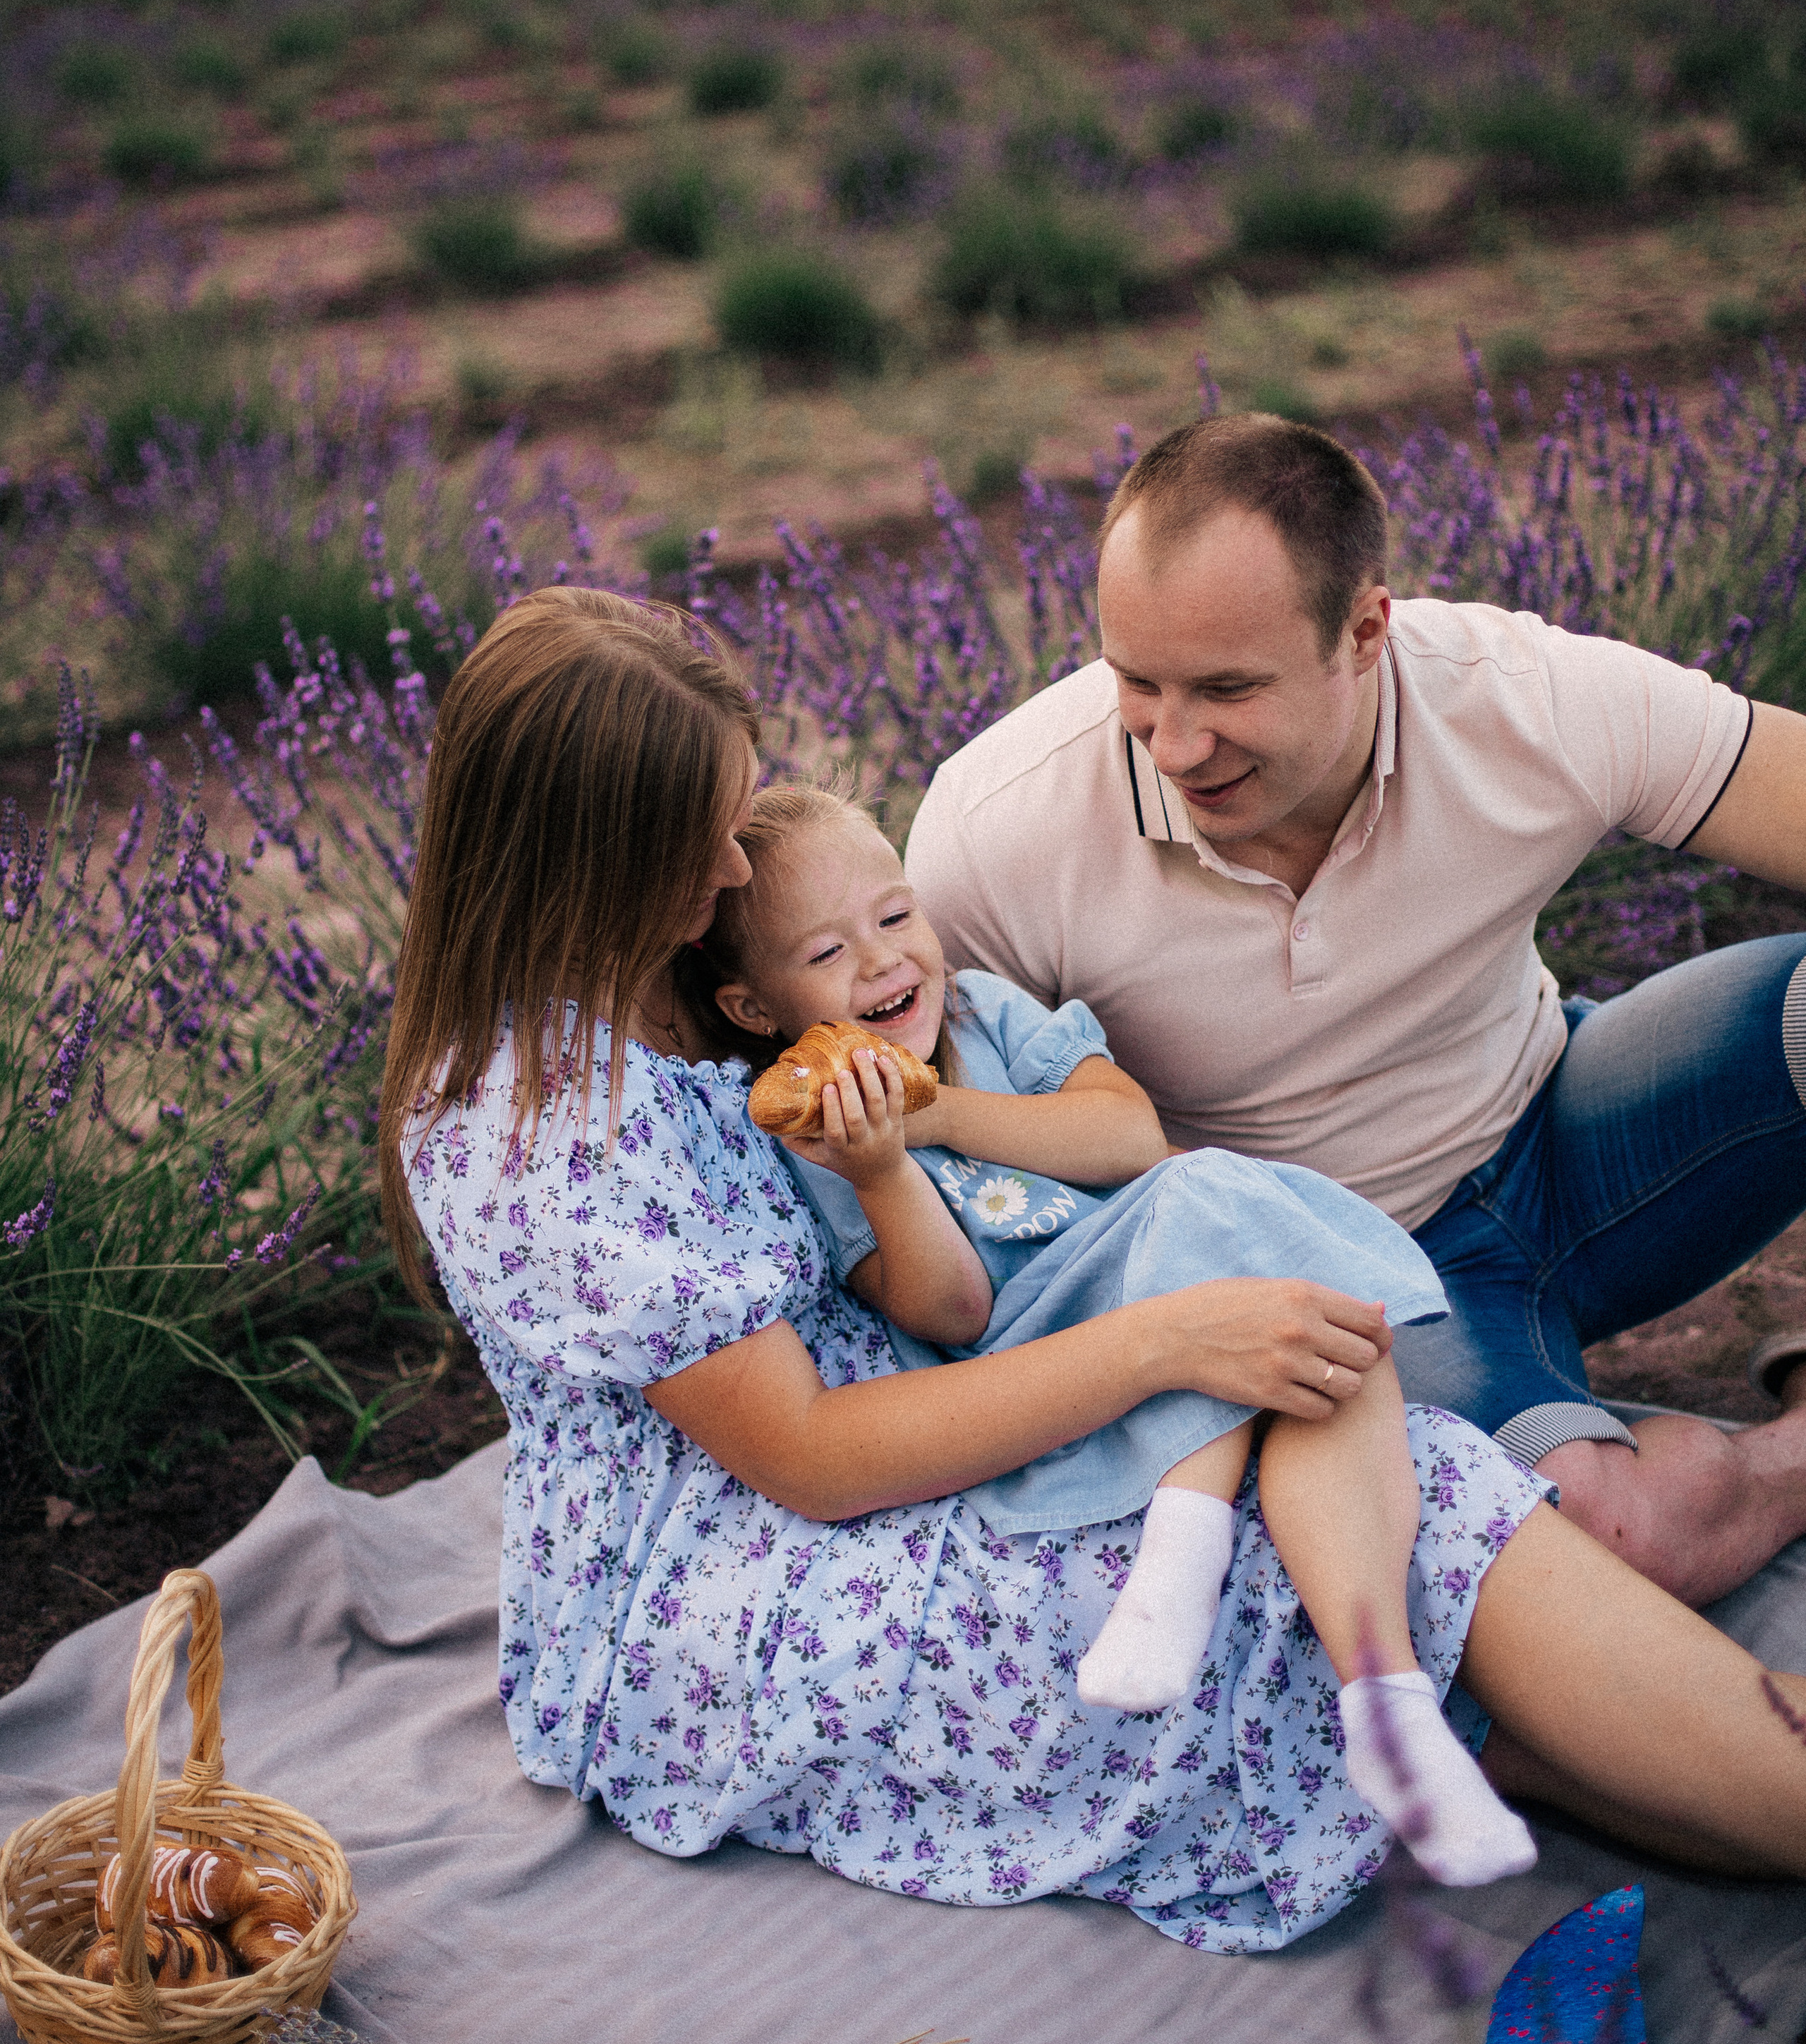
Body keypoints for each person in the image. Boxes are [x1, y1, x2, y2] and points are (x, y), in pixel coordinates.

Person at [379, 583, 1806, 1959]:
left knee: (1338, 1476)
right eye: (700, 840)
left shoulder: (685, 986)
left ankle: (1679, 1758)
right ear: (587, 858)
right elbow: (805, 1458)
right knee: (1363, 1517)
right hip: (744, 1600)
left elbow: (1036, 1149)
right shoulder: (534, 1126)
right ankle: (1715, 1760)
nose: (738, 866)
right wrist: (1165, 1344)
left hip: (933, 1408)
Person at [906, 413, 1806, 1609]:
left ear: (1367, 631)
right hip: (1353, 1290)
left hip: (1582, 1131)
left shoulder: (1516, 693)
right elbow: (944, 1168)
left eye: (1228, 688)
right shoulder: (996, 834)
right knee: (1603, 1546)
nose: (1174, 742)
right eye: (1138, 682)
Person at [703, 781, 1534, 1887]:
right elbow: (956, 1315)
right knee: (1219, 1208)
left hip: (1159, 1288)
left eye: (896, 917)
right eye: (825, 952)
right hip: (1043, 1366)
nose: (879, 961)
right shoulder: (817, 1137)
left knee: (1320, 1338)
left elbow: (1128, 1136)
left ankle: (1387, 1707)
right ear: (757, 1010)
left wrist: (937, 1111)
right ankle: (1181, 1562)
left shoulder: (986, 1017)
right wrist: (886, 1167)